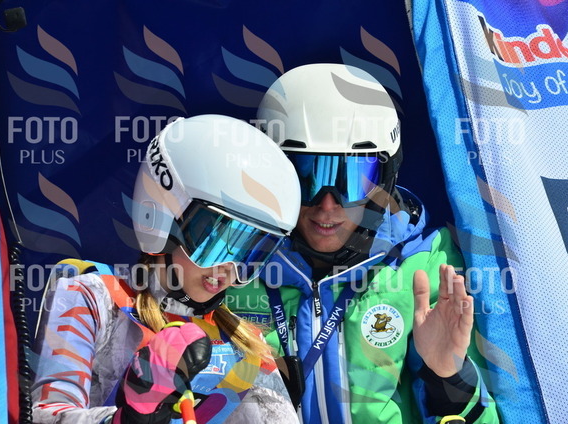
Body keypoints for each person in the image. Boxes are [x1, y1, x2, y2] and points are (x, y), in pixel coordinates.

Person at [225, 64, 500, 423]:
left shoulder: (422, 268)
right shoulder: (233, 266)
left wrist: (448, 379)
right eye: (305, 176)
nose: (327, 206)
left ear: (384, 180)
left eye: (352, 180)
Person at [31, 114, 302, 424]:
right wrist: (127, 419)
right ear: (163, 218)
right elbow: (44, 416)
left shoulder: (245, 345)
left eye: (250, 253)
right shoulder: (93, 297)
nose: (228, 268)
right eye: (215, 244)